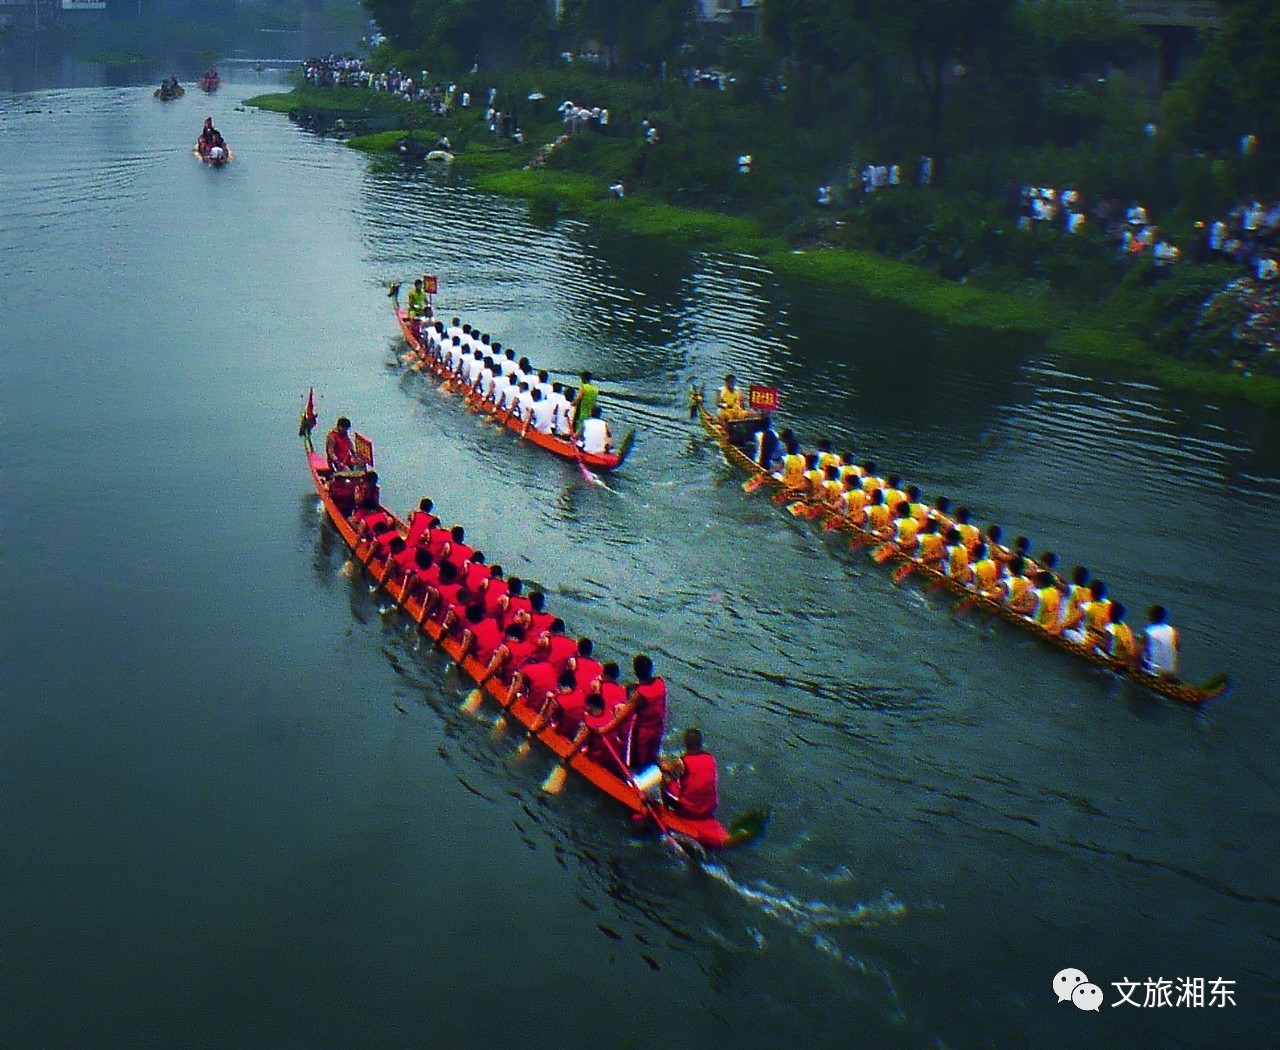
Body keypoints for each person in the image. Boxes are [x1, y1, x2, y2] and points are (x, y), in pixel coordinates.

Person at [661, 728, 718, 821]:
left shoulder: (683, 761)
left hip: (690, 810)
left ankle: (665, 812)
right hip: (710, 809)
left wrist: (662, 764)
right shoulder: (710, 759)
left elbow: (666, 770)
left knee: (665, 779)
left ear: (686, 743)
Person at [1141, 605, 1179, 676]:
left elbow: (1140, 652)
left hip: (1154, 671)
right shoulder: (1174, 632)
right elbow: (1176, 650)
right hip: (1171, 672)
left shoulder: (1148, 631)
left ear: (1150, 617)